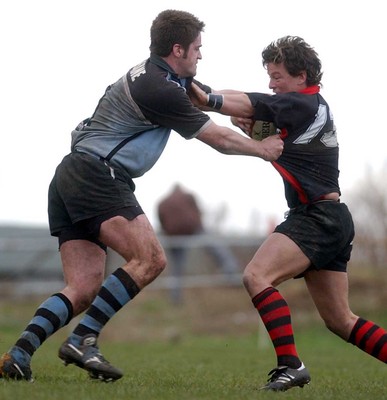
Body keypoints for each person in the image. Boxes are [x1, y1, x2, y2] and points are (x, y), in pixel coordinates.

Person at [0, 10, 283, 383]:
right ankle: (84, 338)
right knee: (149, 258)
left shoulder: (158, 78)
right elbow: (216, 138)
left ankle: (19, 353)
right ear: (178, 49)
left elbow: (205, 98)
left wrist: (242, 114)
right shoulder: (159, 88)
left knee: (83, 288)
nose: (201, 55)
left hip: (71, 174)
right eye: (198, 48)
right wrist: (261, 148)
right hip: (97, 174)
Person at [190, 35, 387, 391]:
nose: (271, 83)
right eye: (269, 75)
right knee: (341, 321)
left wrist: (201, 94)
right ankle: (291, 364)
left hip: (316, 218)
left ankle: (290, 364)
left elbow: (249, 101)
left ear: (301, 76)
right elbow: (253, 107)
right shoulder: (310, 107)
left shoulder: (302, 103)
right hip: (333, 217)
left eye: (277, 75)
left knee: (256, 276)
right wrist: (236, 113)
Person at [158, 183, 241, 304]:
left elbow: (161, 219)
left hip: (173, 233)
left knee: (177, 267)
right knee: (216, 247)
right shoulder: (188, 196)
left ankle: (175, 297)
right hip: (192, 227)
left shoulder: (163, 202)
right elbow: (198, 210)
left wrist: (168, 232)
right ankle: (231, 272)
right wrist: (199, 224)